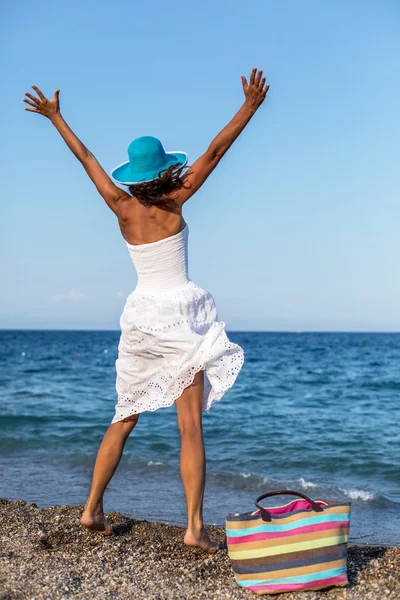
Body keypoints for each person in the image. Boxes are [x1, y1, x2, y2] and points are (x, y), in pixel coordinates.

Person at [23, 68, 270, 553]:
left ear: (133, 176)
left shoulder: (121, 206)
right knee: (189, 425)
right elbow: (216, 150)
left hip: (140, 317)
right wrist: (250, 106)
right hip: (181, 314)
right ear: (163, 170)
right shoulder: (176, 199)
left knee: (124, 415)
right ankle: (195, 530)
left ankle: (91, 509)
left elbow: (86, 157)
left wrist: (55, 117)